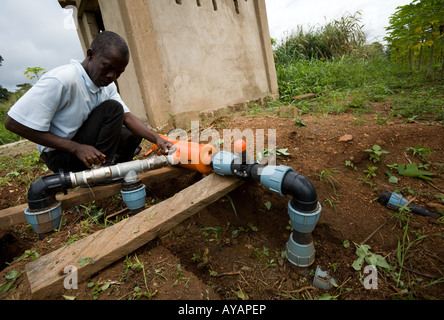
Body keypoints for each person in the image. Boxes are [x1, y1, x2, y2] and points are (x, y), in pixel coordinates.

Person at [5, 31, 173, 175]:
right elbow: (13, 122)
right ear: (90, 55)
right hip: (60, 155)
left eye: (119, 73)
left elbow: (128, 117)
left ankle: (112, 168)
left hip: (80, 145)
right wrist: (75, 148)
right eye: (107, 67)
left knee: (132, 133)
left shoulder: (106, 85)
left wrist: (156, 138)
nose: (112, 76)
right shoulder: (63, 80)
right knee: (112, 109)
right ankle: (100, 174)